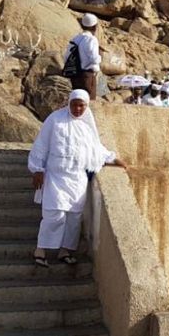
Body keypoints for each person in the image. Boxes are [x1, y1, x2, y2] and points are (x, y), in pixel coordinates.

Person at [29, 89, 125, 267]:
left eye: (82, 105)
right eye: (74, 104)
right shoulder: (55, 120)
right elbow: (41, 145)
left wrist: (114, 159)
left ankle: (65, 251)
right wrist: (37, 169)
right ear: (69, 103)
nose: (78, 109)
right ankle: (41, 250)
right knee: (54, 214)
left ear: (86, 106)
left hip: (77, 179)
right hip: (56, 177)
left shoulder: (87, 126)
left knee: (74, 217)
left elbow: (97, 149)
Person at [65, 14, 102, 97]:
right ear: (94, 27)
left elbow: (66, 57)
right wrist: (100, 56)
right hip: (87, 75)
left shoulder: (75, 38)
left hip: (74, 75)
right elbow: (94, 59)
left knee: (77, 98)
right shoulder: (91, 39)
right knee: (88, 101)